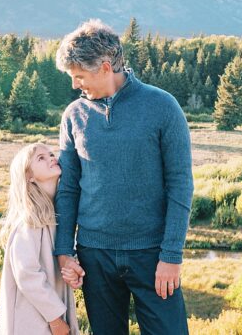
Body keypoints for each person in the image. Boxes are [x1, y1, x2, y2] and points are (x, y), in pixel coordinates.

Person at [52, 19, 194, 335]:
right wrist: (65, 250)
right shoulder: (74, 115)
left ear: (104, 67)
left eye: (79, 77)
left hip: (152, 254)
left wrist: (171, 255)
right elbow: (69, 189)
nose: (75, 85)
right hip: (94, 255)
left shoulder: (162, 106)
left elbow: (180, 185)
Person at [0, 143, 79, 335]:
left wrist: (72, 272)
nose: (51, 157)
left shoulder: (54, 216)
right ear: (28, 176)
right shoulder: (29, 222)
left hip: (46, 319)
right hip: (33, 321)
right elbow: (27, 274)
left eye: (50, 154)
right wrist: (56, 320)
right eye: (41, 158)